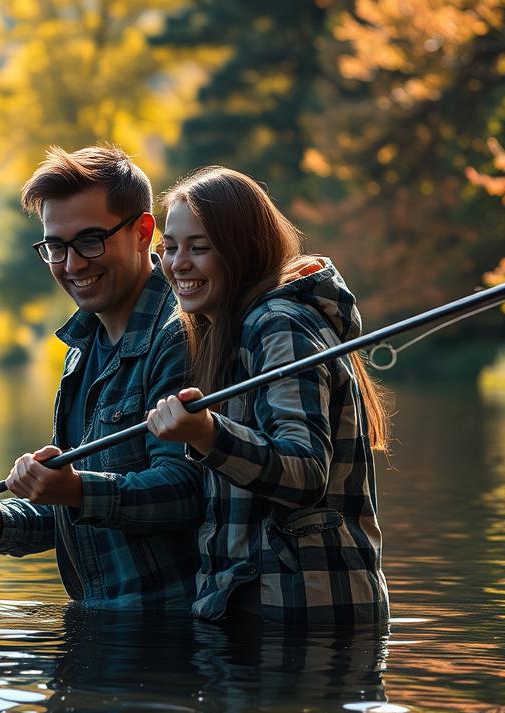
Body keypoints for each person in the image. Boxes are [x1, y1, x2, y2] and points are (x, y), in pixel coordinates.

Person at [0, 145, 203, 609]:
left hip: (171, 632)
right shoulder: (82, 352)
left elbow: (185, 491)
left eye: (90, 241)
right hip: (103, 627)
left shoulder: (180, 333)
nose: (72, 264)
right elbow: (72, 512)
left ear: (142, 232)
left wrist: (74, 488)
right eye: (55, 246)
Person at [145, 166, 391, 627]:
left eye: (199, 248)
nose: (178, 263)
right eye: (170, 248)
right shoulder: (226, 330)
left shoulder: (278, 324)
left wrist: (207, 433)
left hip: (305, 616)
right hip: (257, 612)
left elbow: (304, 471)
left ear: (243, 251)